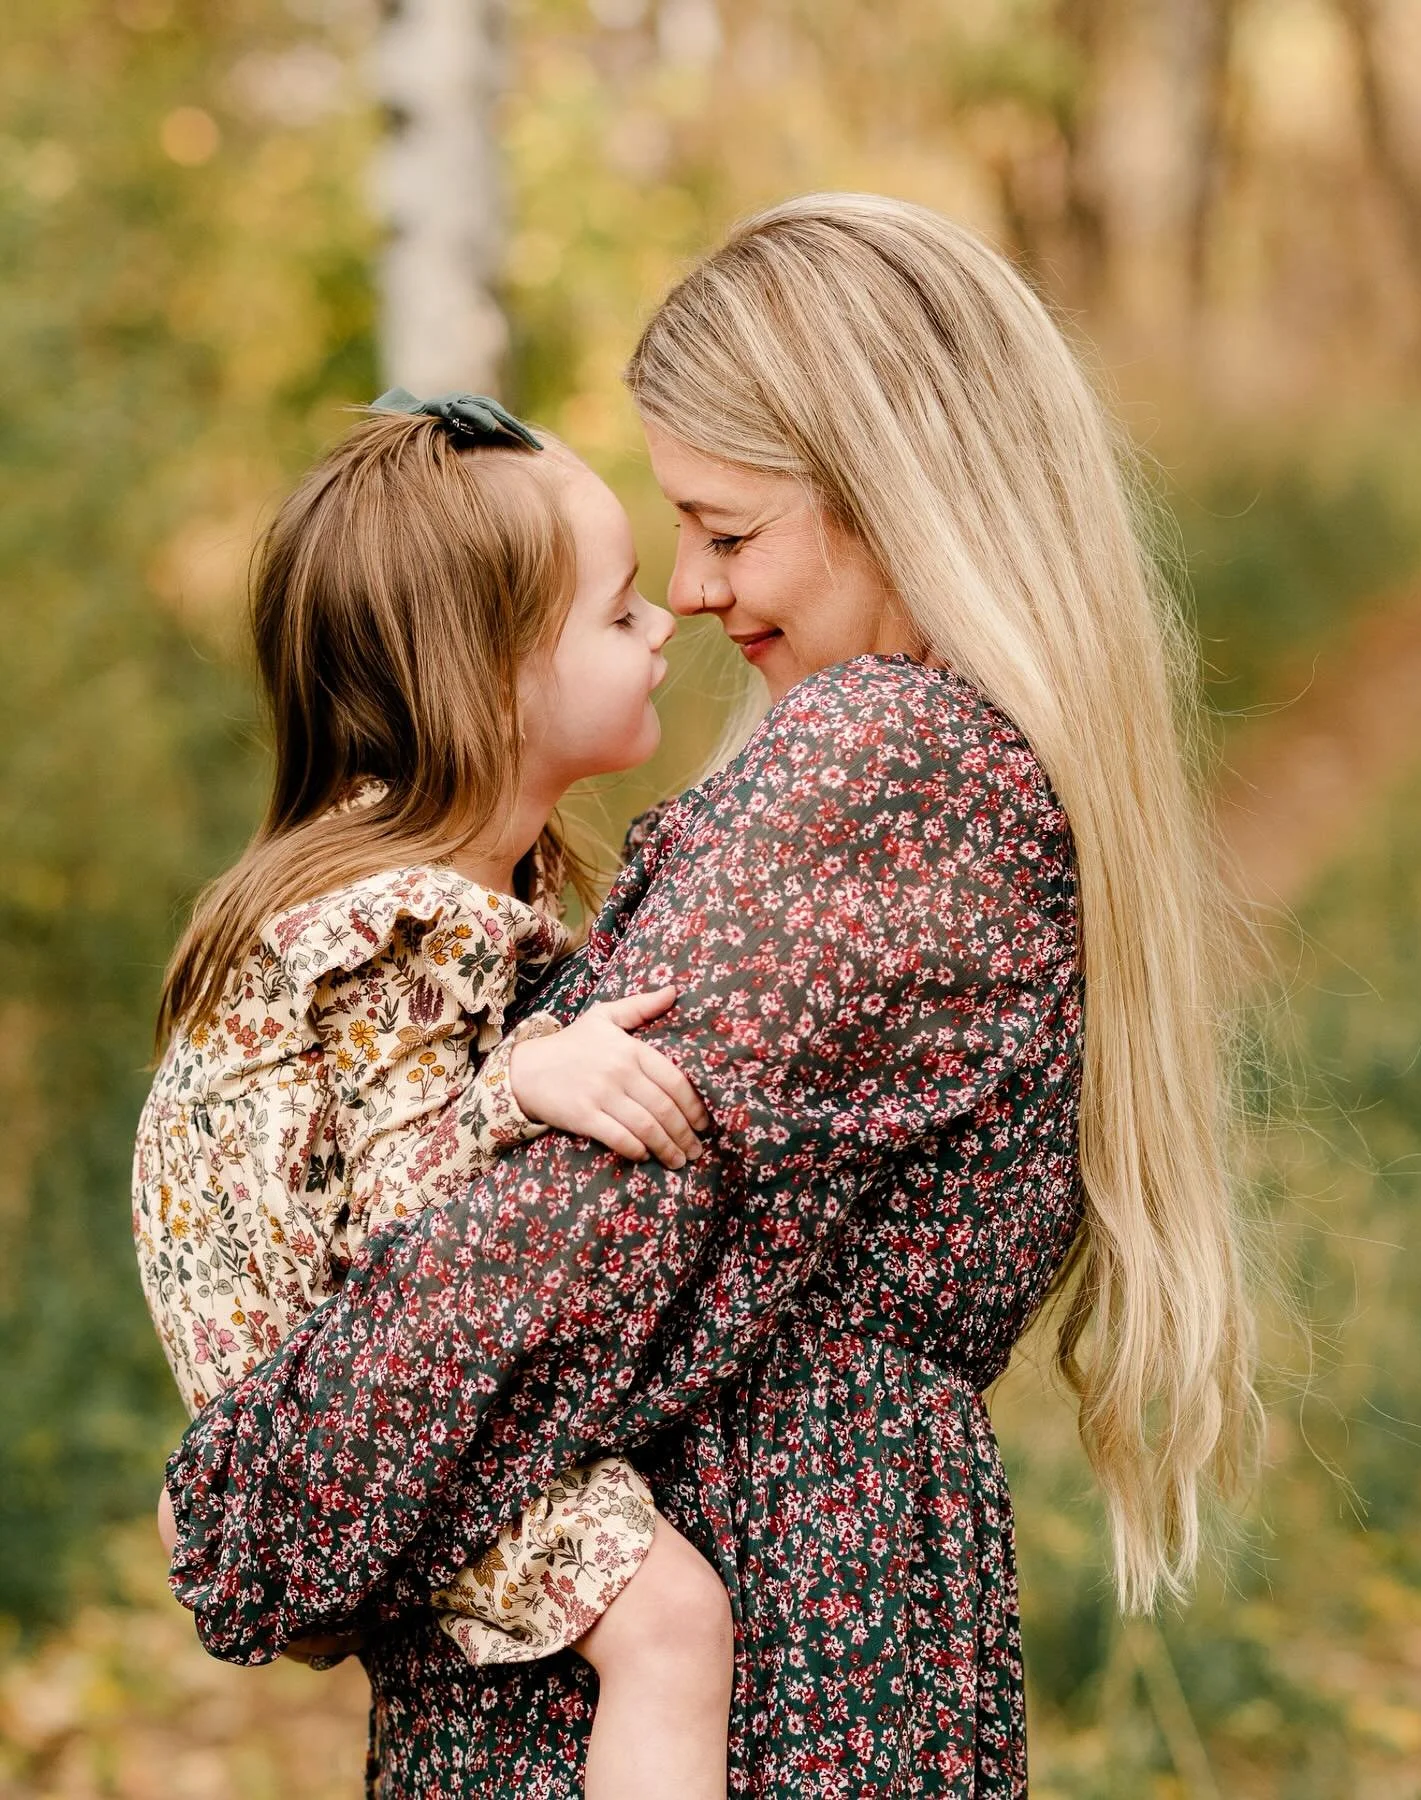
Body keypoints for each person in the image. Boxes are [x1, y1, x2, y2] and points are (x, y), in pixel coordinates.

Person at [159, 195, 1261, 1796]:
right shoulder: (960, 773)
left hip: (774, 1673)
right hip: (841, 1643)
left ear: (899, 491)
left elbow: (540, 1266)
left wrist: (254, 1513)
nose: (685, 590)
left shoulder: (883, 769)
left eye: (727, 530)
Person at [133, 390, 735, 1800]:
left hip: (351, 1406)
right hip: (358, 1424)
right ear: (496, 679)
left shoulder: (394, 871)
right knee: (674, 1626)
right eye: (620, 611)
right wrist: (523, 1081)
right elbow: (417, 1243)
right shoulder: (411, 920)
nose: (666, 628)